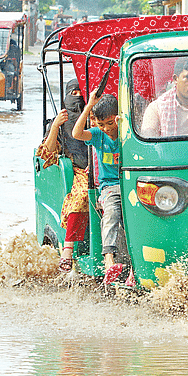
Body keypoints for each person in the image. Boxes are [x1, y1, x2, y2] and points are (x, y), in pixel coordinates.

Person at [72, 91, 126, 285]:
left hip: (128, 184)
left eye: (110, 124)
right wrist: (88, 108)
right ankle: (108, 260)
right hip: (109, 187)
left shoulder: (127, 132)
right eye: (102, 125)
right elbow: (76, 133)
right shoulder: (97, 135)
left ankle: (133, 270)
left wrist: (123, 124)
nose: (107, 129)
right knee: (111, 214)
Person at [35, 79, 90, 273]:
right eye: (72, 93)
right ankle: (68, 250)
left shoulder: (93, 114)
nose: (76, 97)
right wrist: (56, 126)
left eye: (80, 93)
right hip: (77, 171)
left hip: (100, 166)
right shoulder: (60, 120)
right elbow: (46, 154)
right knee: (82, 196)